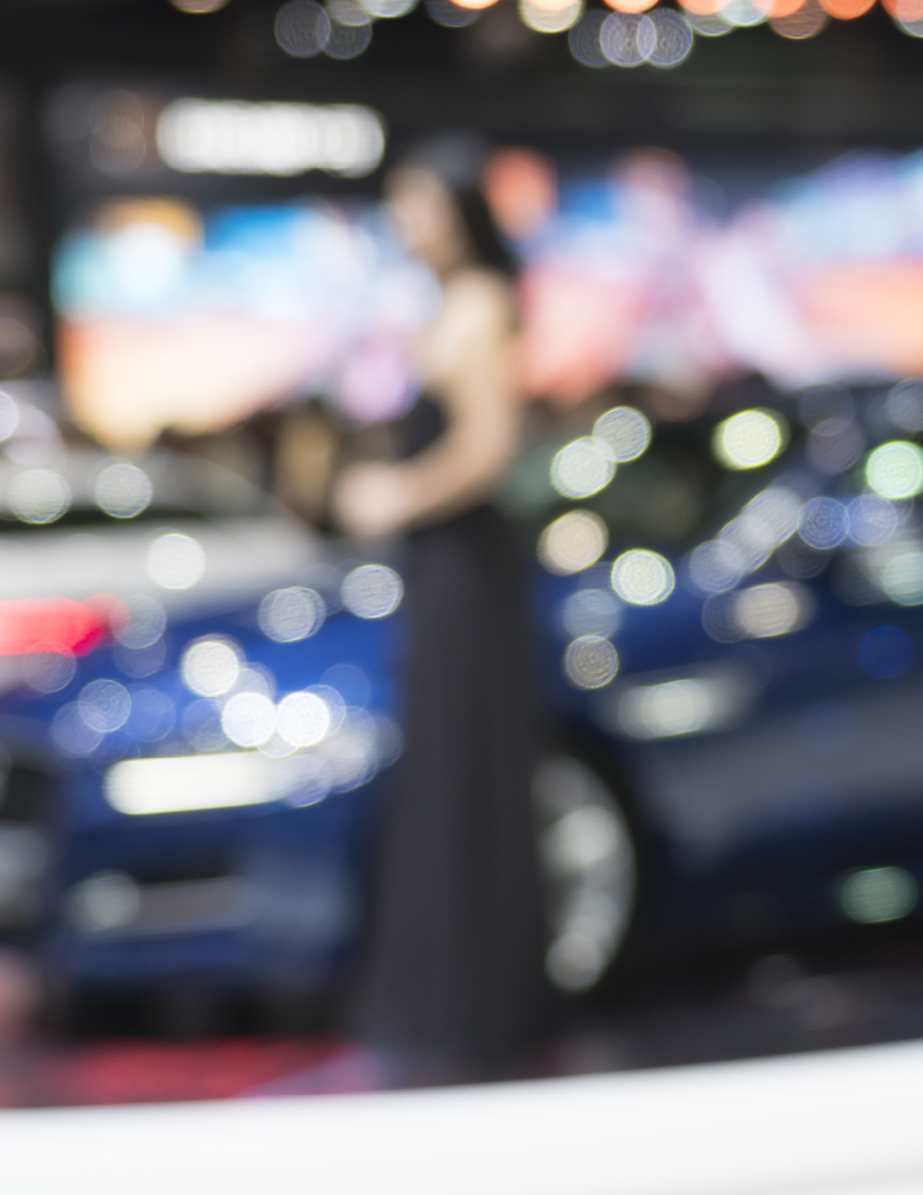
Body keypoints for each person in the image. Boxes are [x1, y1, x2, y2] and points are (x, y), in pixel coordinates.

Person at [334, 139, 553, 1077]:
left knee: (465, 762)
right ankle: (451, 987)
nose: (406, 224)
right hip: (441, 569)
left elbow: (488, 448)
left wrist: (396, 494)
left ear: (460, 211)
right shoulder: (444, 303)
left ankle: (475, 996)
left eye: (419, 205)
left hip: (467, 568)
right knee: (444, 763)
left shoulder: (481, 303)